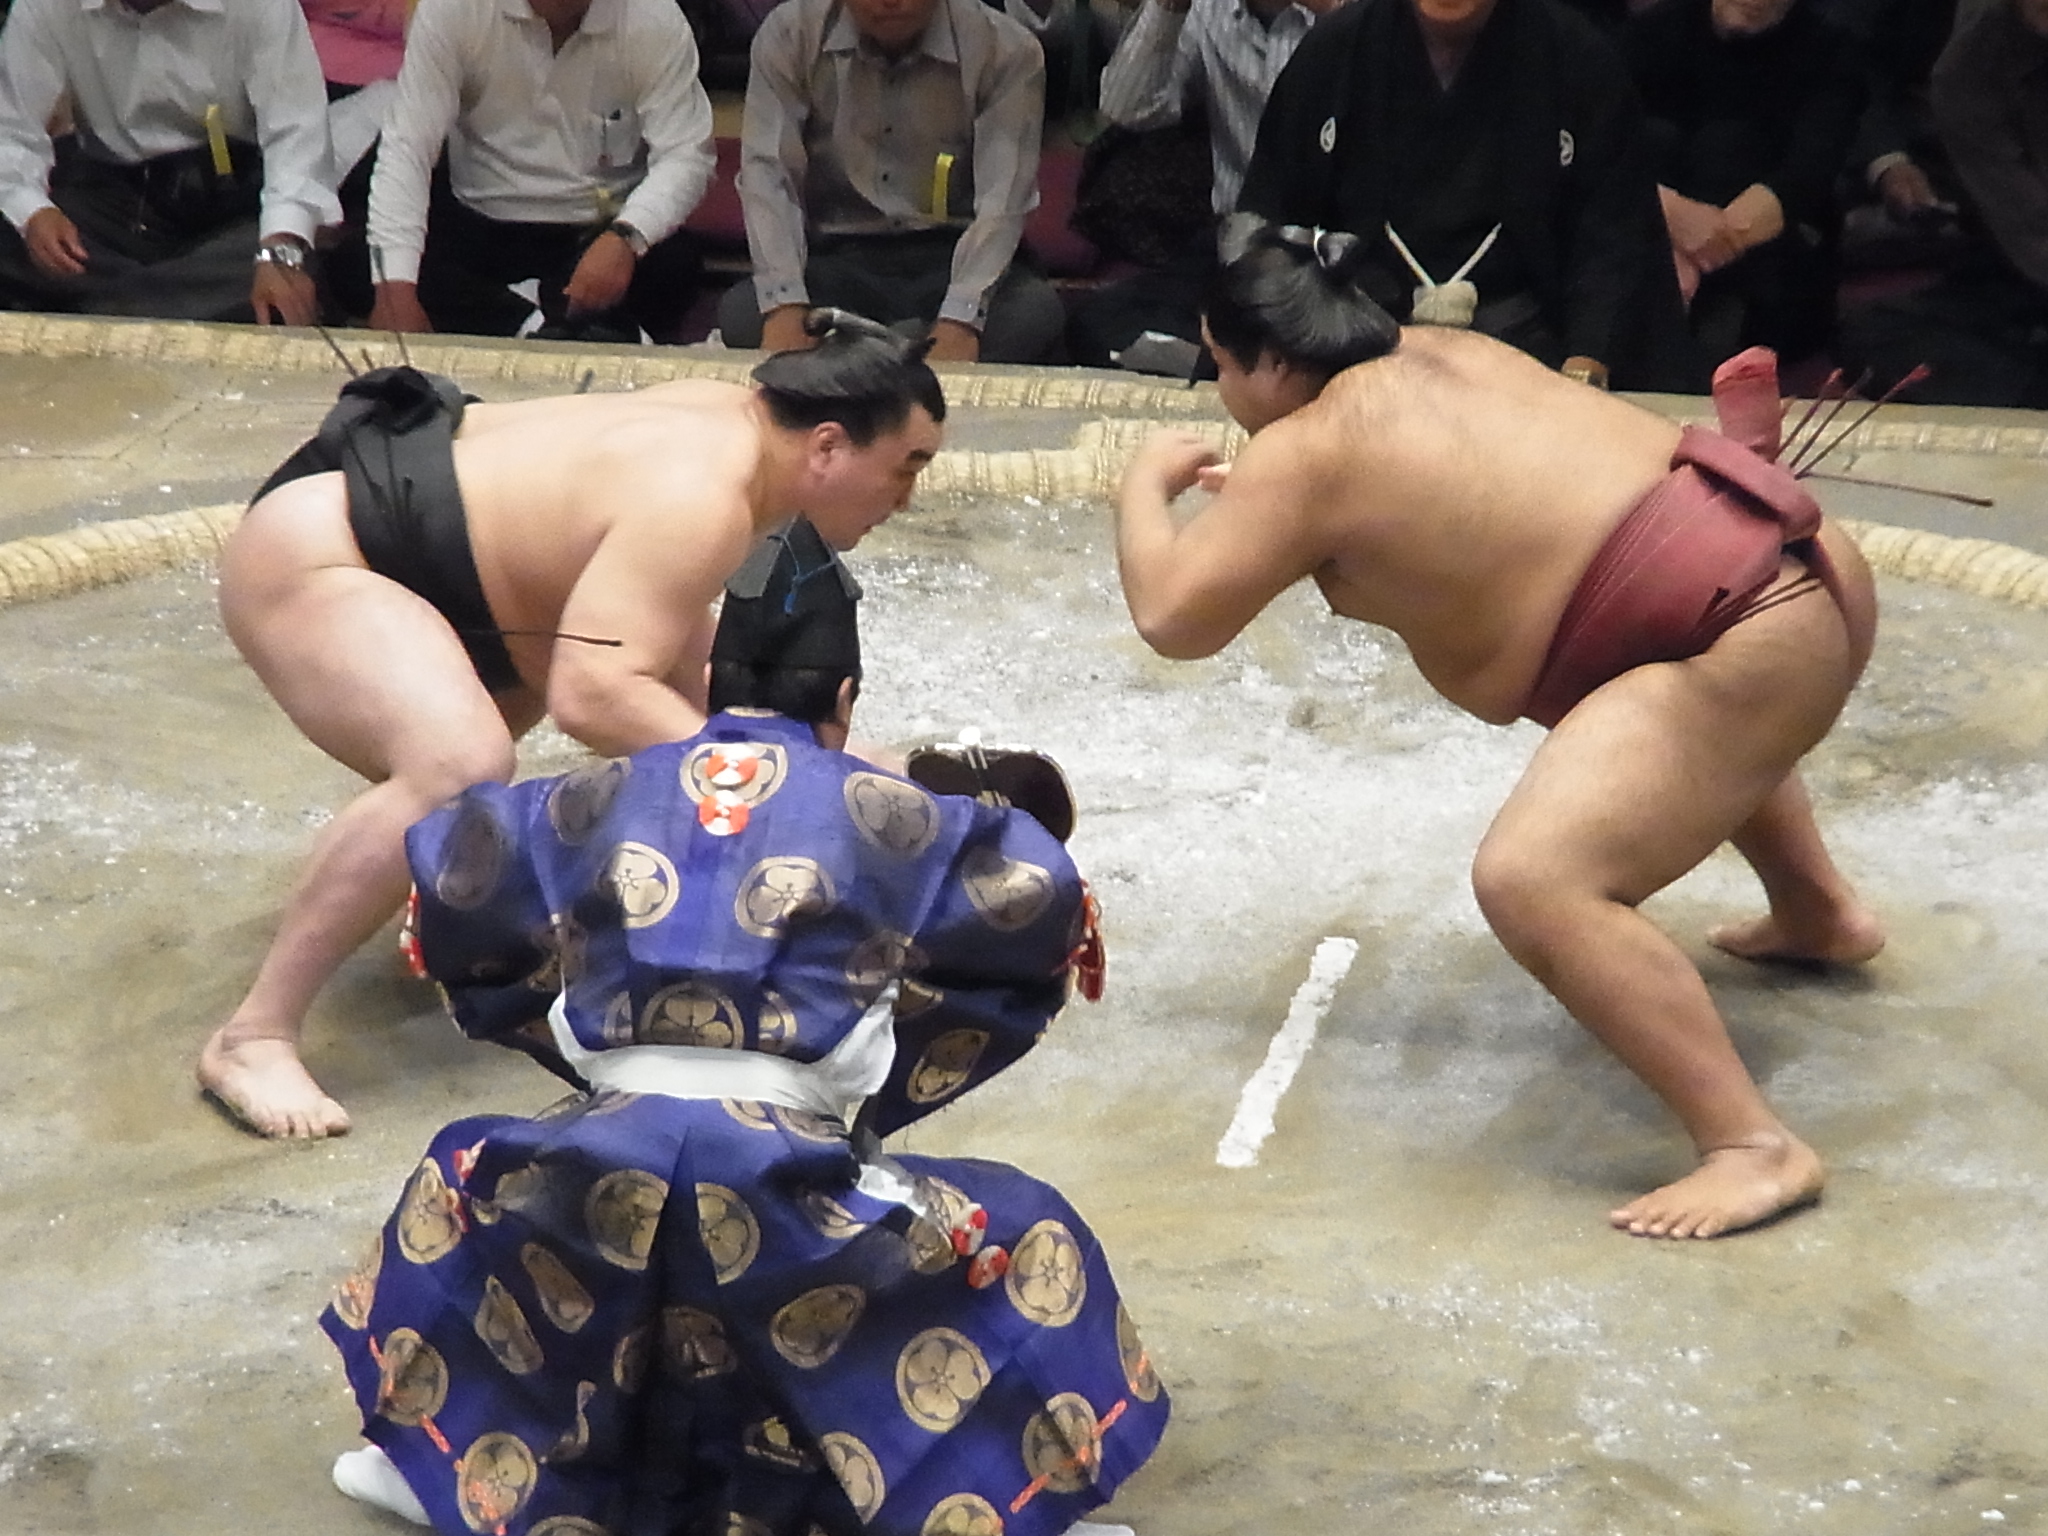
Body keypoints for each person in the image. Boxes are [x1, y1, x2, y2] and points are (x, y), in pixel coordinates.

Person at [318, 517, 1166, 1536]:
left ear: (712, 686)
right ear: (843, 702)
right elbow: (1035, 888)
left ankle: (427, 1466)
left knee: (460, 1174)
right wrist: (876, 1078)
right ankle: (995, 1505)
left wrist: (585, 1058)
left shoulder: (591, 793)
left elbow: (458, 870)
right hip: (793, 1198)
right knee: (1027, 1232)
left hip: (589, 1179)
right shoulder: (893, 812)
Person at [1115, 220, 1883, 1239]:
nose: (1218, 391)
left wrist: (1140, 487)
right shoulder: (1446, 351)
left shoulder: (1308, 451)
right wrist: (1267, 498)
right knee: (1666, 705)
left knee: (1533, 878)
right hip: (1798, 566)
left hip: (1743, 639)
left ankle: (1749, 1145)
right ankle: (1815, 910)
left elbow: (1172, 617)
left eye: (1217, 365)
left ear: (1269, 362)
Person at [199, 311, 947, 1141]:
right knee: (456, 764)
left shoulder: (735, 425)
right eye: (904, 468)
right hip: (327, 556)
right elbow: (592, 692)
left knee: (548, 742)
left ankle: (413, 907)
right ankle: (253, 1035)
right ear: (831, 445)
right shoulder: (702, 495)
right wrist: (775, 790)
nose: (905, 500)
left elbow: (657, 640)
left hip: (454, 584)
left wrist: (841, 763)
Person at [1236, 0, 1700, 393]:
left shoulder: (1578, 59)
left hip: (1534, 363)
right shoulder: (1334, 54)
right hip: (1359, 359)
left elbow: (1611, 241)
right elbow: (1273, 223)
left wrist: (1583, 375)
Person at [716, 0, 1065, 364]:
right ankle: (901, 355)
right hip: (838, 258)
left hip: (952, 256)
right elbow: (768, 174)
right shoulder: (790, 33)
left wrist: (961, 320)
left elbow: (1005, 199)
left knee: (1032, 312)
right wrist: (784, 304)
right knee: (742, 313)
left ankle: (863, 358)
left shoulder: (1006, 48)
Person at [363, 0, 716, 343]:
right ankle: (545, 325)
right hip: (480, 225)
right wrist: (395, 289)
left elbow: (687, 155)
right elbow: (408, 145)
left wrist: (626, 236)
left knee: (674, 265)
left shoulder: (654, 15)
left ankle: (514, 317)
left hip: (599, 229)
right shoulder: (452, 7)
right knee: (363, 267)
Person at [0, 0, 338, 325]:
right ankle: (160, 306)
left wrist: (277, 251)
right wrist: (33, 213)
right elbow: (10, 128)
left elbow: (297, 136)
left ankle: (98, 312)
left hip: (229, 201)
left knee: (285, 269)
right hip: (108, 197)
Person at [1065, 0, 1339, 369]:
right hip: (1235, 244)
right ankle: (1222, 366)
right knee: (1097, 326)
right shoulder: (1208, 10)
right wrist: (1168, 8)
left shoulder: (1367, 17)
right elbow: (1126, 109)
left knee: (1302, 346)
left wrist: (1336, 13)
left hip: (1337, 247)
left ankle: (1225, 366)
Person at [1623, 0, 1865, 368]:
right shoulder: (1649, 33)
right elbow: (1605, 154)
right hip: (1655, 242)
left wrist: (1696, 252)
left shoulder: (1831, 50)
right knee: (1658, 140)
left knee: (1728, 148)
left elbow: (1803, 178)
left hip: (1770, 255)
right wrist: (1669, 219)